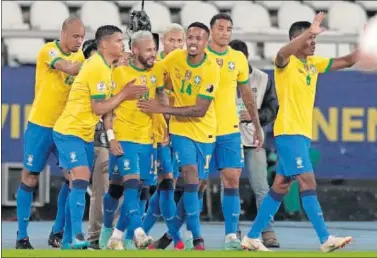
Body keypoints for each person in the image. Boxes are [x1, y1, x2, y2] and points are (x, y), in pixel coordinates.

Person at [241, 12, 358, 252]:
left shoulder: (312, 64)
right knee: (307, 180)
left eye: (314, 40)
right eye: (310, 40)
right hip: (289, 132)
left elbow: (347, 61)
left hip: (302, 135)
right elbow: (283, 52)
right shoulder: (286, 62)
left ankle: (252, 236)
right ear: (297, 39)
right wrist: (309, 31)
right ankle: (325, 239)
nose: (313, 43)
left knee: (281, 186)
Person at [53, 25, 146, 249]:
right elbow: (98, 108)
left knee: (76, 182)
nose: (122, 45)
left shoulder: (105, 67)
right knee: (82, 177)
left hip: (84, 133)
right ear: (104, 44)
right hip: (69, 130)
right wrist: (125, 94)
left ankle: (67, 240)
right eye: (118, 41)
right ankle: (76, 236)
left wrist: (111, 137)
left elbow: (105, 108)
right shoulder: (97, 68)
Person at [137, 22, 221, 251]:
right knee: (185, 177)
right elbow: (151, 71)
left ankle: (168, 236)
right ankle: (197, 237)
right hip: (179, 130)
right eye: (190, 37)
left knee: (198, 185)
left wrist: (162, 109)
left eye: (198, 38)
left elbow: (200, 110)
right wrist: (133, 53)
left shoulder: (212, 68)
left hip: (205, 130)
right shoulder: (175, 59)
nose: (193, 42)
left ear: (206, 42)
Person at [16, 17, 85, 250]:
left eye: (82, 37)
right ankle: (22, 237)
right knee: (30, 177)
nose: (79, 41)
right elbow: (68, 68)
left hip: (66, 127)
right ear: (63, 33)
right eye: (75, 36)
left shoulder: (81, 56)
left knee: (72, 178)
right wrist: (96, 62)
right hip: (41, 124)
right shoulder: (48, 51)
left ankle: (57, 231)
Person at [100, 30, 167, 250]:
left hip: (148, 139)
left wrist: (164, 125)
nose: (153, 54)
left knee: (141, 189)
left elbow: (160, 94)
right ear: (135, 50)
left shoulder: (157, 69)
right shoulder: (118, 73)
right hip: (124, 137)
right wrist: (111, 138)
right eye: (148, 50)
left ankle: (116, 237)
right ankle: (136, 232)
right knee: (128, 184)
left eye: (154, 50)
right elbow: (107, 110)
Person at [205, 13, 264, 250]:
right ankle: (186, 234)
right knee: (194, 182)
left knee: (232, 180)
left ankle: (231, 235)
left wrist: (257, 126)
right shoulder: (200, 54)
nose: (225, 33)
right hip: (202, 128)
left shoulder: (237, 58)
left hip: (229, 129)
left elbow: (247, 95)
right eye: (220, 28)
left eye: (229, 29)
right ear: (211, 30)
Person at [229, 39, 280, 248]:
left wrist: (254, 115)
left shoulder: (262, 78)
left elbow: (273, 108)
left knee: (261, 187)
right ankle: (233, 231)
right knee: (230, 187)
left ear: (246, 57)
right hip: (229, 138)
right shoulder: (222, 77)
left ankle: (267, 230)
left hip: (253, 140)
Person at [141, 23, 186, 244]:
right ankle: (177, 238)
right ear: (162, 43)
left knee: (167, 185)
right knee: (164, 183)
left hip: (179, 132)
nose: (176, 45)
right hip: (156, 133)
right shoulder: (155, 66)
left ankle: (138, 232)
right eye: (172, 40)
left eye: (180, 41)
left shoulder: (186, 67)